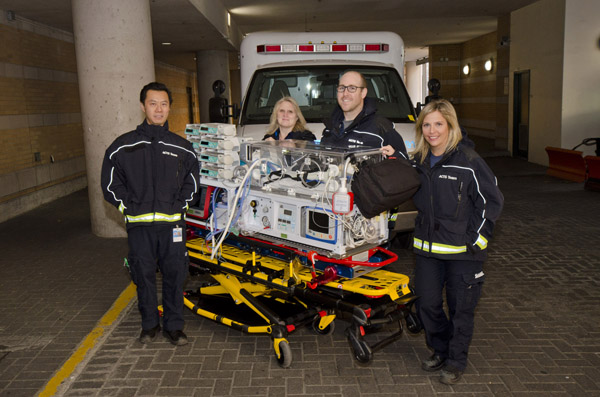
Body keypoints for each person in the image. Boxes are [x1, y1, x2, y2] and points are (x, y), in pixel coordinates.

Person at [410, 99, 504, 384]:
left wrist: (477, 240)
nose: (432, 130)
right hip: (427, 250)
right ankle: (440, 349)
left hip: (463, 253)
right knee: (426, 304)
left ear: (451, 126)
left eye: (438, 124)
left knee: (461, 309)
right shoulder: (418, 161)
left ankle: (455, 360)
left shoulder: (469, 161)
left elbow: (492, 201)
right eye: (426, 124)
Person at [101, 82, 199, 346]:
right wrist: (128, 207)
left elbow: (193, 184)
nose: (159, 109)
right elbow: (110, 185)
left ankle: (174, 327)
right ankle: (149, 325)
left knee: (175, 275)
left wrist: (180, 205)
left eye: (164, 104)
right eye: (153, 103)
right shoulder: (122, 147)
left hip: (172, 227)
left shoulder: (182, 148)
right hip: (139, 228)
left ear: (169, 108)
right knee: (142, 276)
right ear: (143, 105)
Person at [321, 70, 407, 158]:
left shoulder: (381, 127)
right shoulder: (330, 126)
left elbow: (403, 164)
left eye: (352, 88)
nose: (345, 93)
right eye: (341, 88)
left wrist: (394, 156)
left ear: (363, 93)